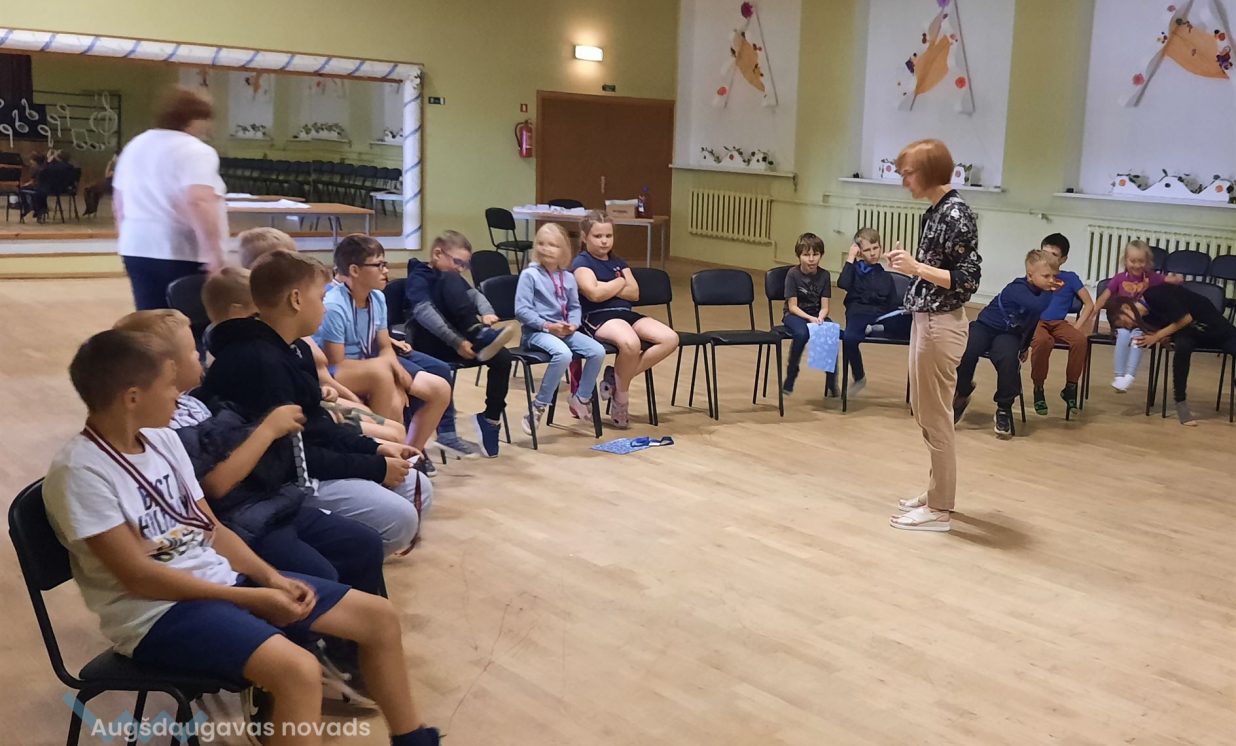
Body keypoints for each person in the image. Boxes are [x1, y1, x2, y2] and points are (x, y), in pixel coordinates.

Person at [43, 328, 442, 746]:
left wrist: (271, 578)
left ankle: (413, 739)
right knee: (298, 671)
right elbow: (138, 578)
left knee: (378, 618)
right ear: (132, 397)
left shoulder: (161, 442)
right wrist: (251, 597)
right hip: (156, 615)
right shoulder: (81, 472)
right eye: (168, 385)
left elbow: (211, 528)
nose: (178, 395)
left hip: (218, 584)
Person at [201, 250, 429, 555]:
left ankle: (353, 548)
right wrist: (374, 468)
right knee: (400, 518)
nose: (325, 307)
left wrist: (374, 450)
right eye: (321, 298)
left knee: (417, 487)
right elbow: (292, 457)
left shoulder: (293, 349)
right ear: (296, 299)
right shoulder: (259, 362)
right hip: (284, 482)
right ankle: (339, 553)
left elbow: (317, 426)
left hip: (310, 461)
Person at [202, 266, 411, 450]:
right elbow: (290, 422)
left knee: (396, 429)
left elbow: (308, 384)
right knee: (392, 436)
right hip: (311, 431)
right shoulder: (252, 357)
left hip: (318, 412)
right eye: (259, 309)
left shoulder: (287, 344)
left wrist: (324, 394)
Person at [886, 138, 982, 532]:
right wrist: (911, 267)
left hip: (940, 325)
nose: (904, 181)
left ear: (928, 171)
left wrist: (915, 268)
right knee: (924, 410)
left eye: (908, 173)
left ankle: (940, 508)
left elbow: (967, 280)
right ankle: (936, 491)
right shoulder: (936, 211)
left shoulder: (956, 214)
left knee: (936, 415)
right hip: (926, 320)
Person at [317, 234, 452, 453]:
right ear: (354, 270)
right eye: (378, 265)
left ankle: (411, 455)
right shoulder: (334, 305)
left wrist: (398, 375)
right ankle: (384, 454)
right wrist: (390, 374)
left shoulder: (378, 298)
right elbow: (336, 362)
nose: (386, 270)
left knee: (440, 389)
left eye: (385, 264)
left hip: (373, 363)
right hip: (342, 369)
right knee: (393, 399)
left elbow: (385, 346)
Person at [113, 86, 228, 310]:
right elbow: (198, 201)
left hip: (135, 246)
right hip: (180, 250)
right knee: (188, 323)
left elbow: (119, 204)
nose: (210, 126)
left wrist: (124, 241)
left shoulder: (136, 145)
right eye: (207, 119)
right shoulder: (196, 150)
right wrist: (213, 253)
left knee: (152, 321)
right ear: (195, 118)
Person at [405, 230, 517, 457]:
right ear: (437, 253)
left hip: (462, 339)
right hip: (431, 343)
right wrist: (457, 342)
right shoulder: (420, 276)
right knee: (450, 279)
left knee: (503, 358)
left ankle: (490, 420)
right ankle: (480, 334)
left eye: (465, 265)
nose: (460, 269)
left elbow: (474, 295)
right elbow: (425, 314)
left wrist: (487, 312)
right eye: (457, 262)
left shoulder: (454, 277)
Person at [572, 211, 679, 428]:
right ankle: (621, 398)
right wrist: (620, 283)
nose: (604, 241)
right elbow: (594, 294)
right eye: (598, 236)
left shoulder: (618, 262)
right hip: (598, 316)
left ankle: (615, 380)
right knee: (630, 343)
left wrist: (606, 286)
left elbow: (635, 293)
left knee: (670, 338)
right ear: (584, 237)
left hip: (625, 313)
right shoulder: (581, 263)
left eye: (608, 236)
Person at [952, 249, 1060, 438]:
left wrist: (1024, 346)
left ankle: (1004, 408)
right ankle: (962, 392)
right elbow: (1038, 306)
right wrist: (1051, 291)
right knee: (967, 349)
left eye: (1054, 276)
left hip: (1008, 334)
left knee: (1009, 360)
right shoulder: (1017, 288)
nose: (1051, 281)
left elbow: (1031, 322)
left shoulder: (1040, 293)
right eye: (1046, 276)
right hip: (985, 326)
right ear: (1030, 275)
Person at [514, 222, 606, 434]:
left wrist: (573, 324)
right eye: (542, 244)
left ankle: (581, 397)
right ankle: (538, 407)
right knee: (563, 354)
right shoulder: (530, 275)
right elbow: (522, 310)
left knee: (597, 351)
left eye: (553, 245)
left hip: (564, 331)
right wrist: (547, 326)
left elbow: (574, 307)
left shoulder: (568, 277)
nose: (546, 249)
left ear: (563, 250)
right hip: (537, 332)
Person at [1107, 284, 1236, 426]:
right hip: (1189, 333)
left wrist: (1157, 336)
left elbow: (1185, 318)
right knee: (1183, 348)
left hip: (1213, 326)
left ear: (1126, 307)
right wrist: (1164, 338)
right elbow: (1170, 328)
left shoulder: (1154, 294)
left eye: (1124, 322)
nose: (1129, 327)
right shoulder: (1147, 320)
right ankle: (1181, 402)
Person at [1090, 239, 1182, 392]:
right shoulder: (1119, 278)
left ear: (1147, 262)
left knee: (1137, 340)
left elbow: (1166, 280)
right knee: (1123, 337)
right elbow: (1104, 296)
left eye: (1141, 261)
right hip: (1122, 321)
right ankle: (1119, 376)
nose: (1137, 265)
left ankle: (1129, 376)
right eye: (1133, 261)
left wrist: (1177, 279)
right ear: (1125, 260)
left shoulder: (1151, 277)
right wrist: (1093, 312)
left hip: (1141, 323)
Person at [837, 227, 909, 396]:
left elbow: (892, 304)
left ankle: (875, 328)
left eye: (875, 248)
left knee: (909, 323)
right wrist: (850, 258)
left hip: (880, 315)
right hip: (859, 312)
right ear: (860, 252)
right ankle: (859, 376)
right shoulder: (854, 270)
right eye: (867, 250)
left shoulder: (884, 275)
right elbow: (843, 284)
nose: (873, 253)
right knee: (849, 338)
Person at [1029, 233, 1095, 415]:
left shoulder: (1070, 278)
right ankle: (1038, 388)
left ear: (1063, 259)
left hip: (1058, 322)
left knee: (1079, 341)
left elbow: (1089, 304)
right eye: (1044, 253)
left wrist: (1077, 327)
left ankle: (1070, 387)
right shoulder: (1036, 275)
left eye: (1054, 255)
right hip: (1038, 322)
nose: (1048, 258)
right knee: (1043, 342)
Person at [780, 233, 835, 397]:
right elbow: (792, 306)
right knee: (801, 333)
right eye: (806, 255)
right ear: (799, 256)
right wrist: (810, 319)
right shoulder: (793, 274)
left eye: (815, 254)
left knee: (830, 332)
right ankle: (791, 374)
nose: (811, 259)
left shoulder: (825, 275)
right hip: (795, 315)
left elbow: (825, 306)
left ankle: (831, 381)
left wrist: (821, 317)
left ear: (821, 255)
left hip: (816, 314)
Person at [82, 152, 117, 217]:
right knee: (95, 192)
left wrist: (108, 165)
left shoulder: (117, 166)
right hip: (110, 185)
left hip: (109, 186)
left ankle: (90, 209)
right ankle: (93, 210)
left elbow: (106, 175)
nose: (113, 158)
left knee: (87, 190)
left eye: (114, 157)